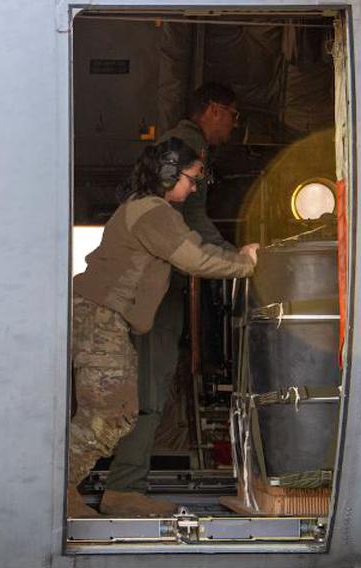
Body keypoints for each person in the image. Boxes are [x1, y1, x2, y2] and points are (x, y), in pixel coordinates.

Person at [68, 138, 259, 518]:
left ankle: (115, 494)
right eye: (191, 178)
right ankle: (54, 489)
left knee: (120, 409)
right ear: (170, 173)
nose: (193, 188)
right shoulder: (154, 212)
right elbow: (195, 256)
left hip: (105, 319)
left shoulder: (147, 208)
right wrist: (245, 263)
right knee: (108, 413)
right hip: (100, 319)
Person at [101, 83, 244, 517]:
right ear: (215, 111)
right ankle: (124, 487)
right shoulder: (182, 155)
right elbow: (192, 234)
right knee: (147, 387)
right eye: (232, 116)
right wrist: (238, 259)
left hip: (154, 292)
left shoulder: (172, 158)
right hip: (155, 297)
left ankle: (123, 484)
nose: (195, 183)